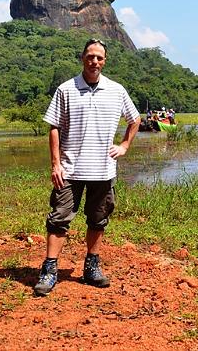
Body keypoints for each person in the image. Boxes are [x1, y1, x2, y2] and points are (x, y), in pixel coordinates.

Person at [33, 39, 141, 296]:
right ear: (82, 58)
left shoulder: (116, 90)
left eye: (99, 58)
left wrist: (124, 145)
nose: (94, 62)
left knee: (98, 219)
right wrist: (55, 164)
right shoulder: (66, 89)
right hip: (69, 170)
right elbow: (54, 127)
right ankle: (50, 270)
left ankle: (92, 266)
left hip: (103, 170)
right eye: (90, 56)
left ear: (105, 61)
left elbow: (134, 119)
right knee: (59, 218)